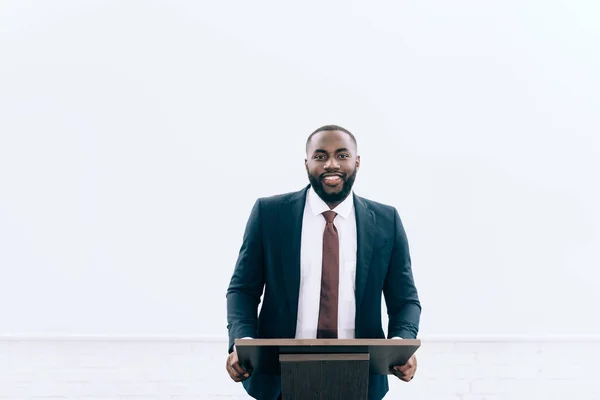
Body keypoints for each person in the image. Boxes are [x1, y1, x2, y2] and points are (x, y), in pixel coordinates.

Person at [225, 125, 421, 400]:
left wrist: (400, 346)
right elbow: (242, 290)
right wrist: (242, 344)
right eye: (320, 156)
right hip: (277, 378)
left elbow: (405, 300)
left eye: (342, 155)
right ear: (306, 163)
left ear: (357, 161)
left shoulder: (386, 221)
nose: (331, 164)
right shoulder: (270, 214)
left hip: (361, 379)